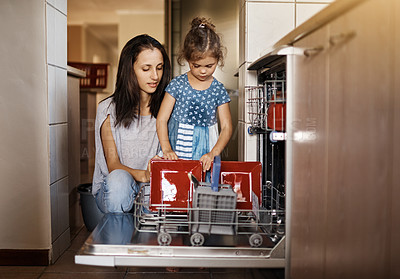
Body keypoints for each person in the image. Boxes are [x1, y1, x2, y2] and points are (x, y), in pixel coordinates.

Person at [92, 34, 171, 214]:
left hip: (151, 188)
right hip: (114, 190)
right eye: (146, 69)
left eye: (159, 68)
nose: (155, 76)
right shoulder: (108, 109)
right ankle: (119, 240)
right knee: (119, 181)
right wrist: (144, 175)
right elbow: (113, 165)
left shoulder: (167, 110)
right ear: (130, 70)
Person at [156, 17, 232, 173]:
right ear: (187, 59)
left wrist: (213, 153)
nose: (203, 71)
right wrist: (166, 149)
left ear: (218, 59)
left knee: (201, 189)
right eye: (196, 65)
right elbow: (162, 119)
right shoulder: (177, 85)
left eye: (209, 66)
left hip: (204, 155)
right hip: (175, 152)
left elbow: (226, 127)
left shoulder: (218, 89)